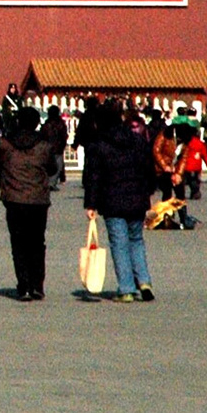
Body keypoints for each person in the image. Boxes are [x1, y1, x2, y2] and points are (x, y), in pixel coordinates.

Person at [81, 100, 156, 302]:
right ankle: (144, 281)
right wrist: (148, 191)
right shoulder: (138, 141)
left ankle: (126, 288)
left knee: (119, 243)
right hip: (137, 198)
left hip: (112, 200)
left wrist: (91, 204)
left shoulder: (99, 145)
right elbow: (149, 168)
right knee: (137, 240)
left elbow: (93, 177)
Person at [0, 106, 61, 301]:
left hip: (14, 199)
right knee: (37, 242)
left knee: (19, 243)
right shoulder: (44, 146)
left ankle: (23, 285)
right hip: (38, 200)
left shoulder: (6, 144)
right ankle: (37, 285)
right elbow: (52, 169)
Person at [41, 105, 69, 190]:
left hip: (48, 147)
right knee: (58, 165)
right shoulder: (61, 124)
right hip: (58, 147)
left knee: (47, 165)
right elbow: (64, 135)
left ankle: (48, 182)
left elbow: (43, 135)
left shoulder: (46, 124)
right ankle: (52, 182)